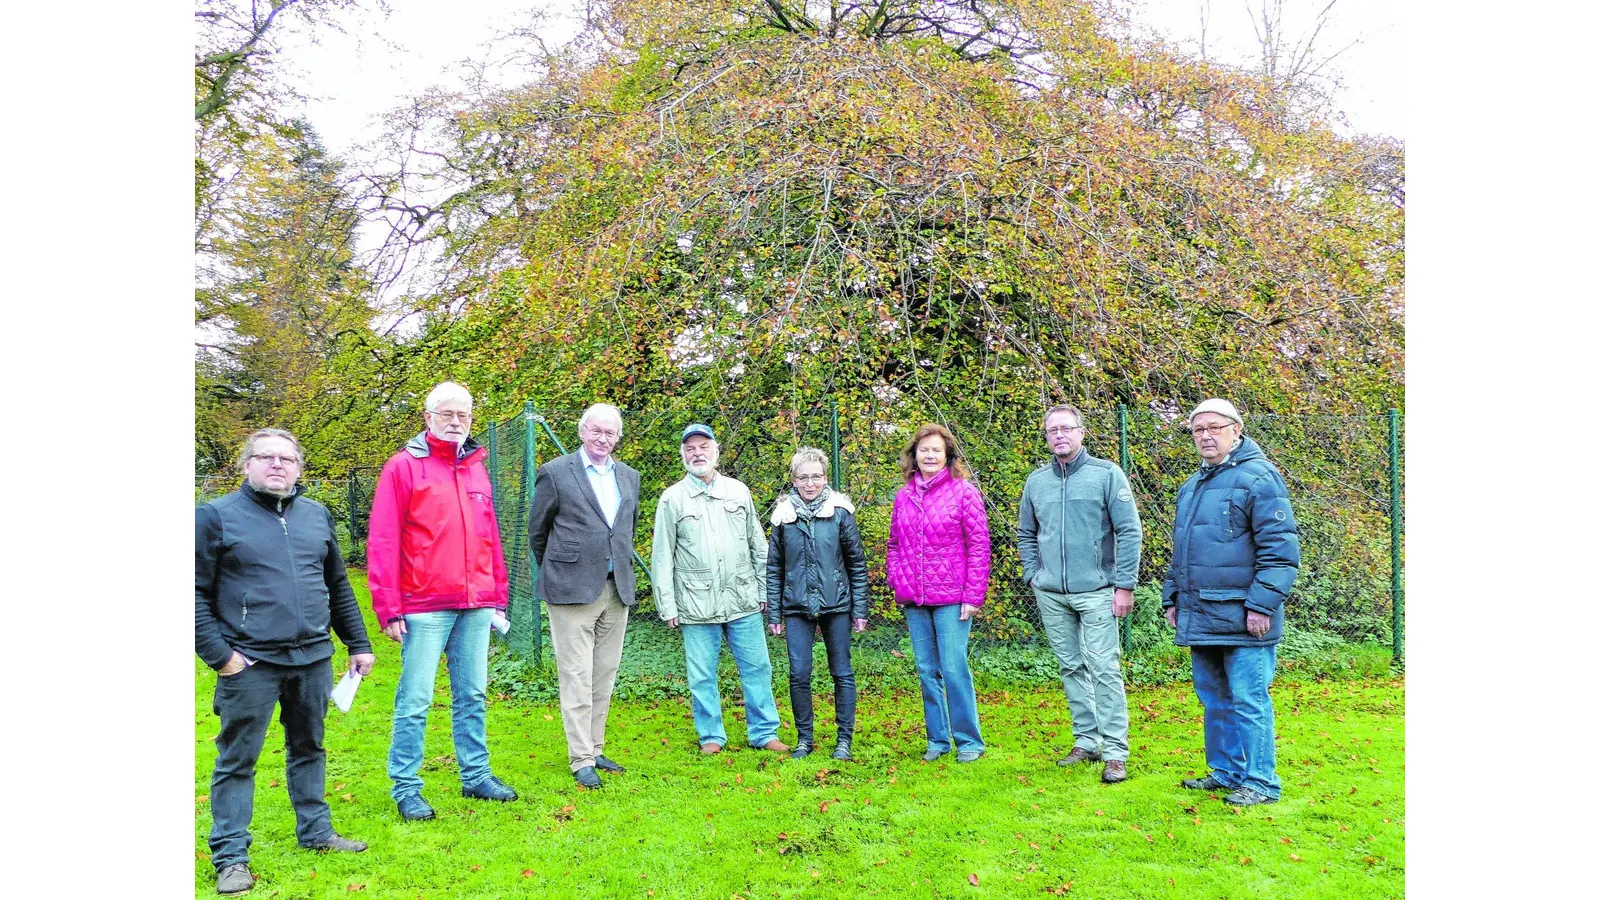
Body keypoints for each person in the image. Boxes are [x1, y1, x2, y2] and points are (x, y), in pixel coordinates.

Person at [196, 429, 376, 895]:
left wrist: (358, 643)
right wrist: (221, 656)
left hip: (313, 658)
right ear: (246, 464)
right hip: (250, 662)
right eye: (266, 457)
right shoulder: (215, 517)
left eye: (287, 459)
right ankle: (231, 856)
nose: (277, 465)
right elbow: (190, 591)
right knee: (238, 759)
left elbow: (337, 584)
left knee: (309, 747)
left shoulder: (317, 516)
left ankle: (316, 832)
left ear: (299, 468)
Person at [368, 381, 518, 821]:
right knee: (415, 700)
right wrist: (388, 605)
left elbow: (491, 538)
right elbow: (382, 539)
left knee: (472, 694)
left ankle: (476, 775)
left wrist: (498, 596)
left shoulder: (476, 467)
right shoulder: (403, 467)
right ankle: (407, 786)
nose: (457, 422)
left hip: (476, 604)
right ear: (428, 417)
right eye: (448, 414)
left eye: (464, 416)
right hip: (424, 604)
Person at [1163, 398, 1300, 807]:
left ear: (1236, 430)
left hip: (1244, 616)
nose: (1205, 435)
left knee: (1249, 699)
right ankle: (1225, 771)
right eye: (1197, 429)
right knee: (1214, 698)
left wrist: (1261, 605)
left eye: (1214, 427)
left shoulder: (1261, 479)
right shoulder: (1192, 486)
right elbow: (1182, 553)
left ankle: (1261, 782)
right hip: (1202, 613)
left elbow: (1280, 551)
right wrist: (1172, 598)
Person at [1017, 404, 1143, 784]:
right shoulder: (1036, 482)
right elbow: (1026, 533)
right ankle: (1086, 741)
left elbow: (1129, 531)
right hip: (1051, 593)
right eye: (1052, 430)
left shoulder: (1106, 474)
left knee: (1104, 668)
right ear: (1046, 435)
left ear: (1081, 432)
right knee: (1071, 667)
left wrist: (1124, 585)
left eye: (1066, 428)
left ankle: (1116, 751)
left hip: (1098, 591)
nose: (1059, 435)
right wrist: (1033, 576)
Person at [651, 423, 789, 755]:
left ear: (716, 451)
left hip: (742, 598)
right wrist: (667, 605)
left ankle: (764, 732)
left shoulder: (738, 491)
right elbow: (661, 557)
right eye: (690, 448)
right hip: (696, 604)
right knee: (701, 676)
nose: (697, 453)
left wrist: (765, 590)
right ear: (682, 455)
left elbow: (758, 545)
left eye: (704, 447)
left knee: (758, 668)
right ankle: (711, 736)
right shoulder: (672, 499)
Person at [528, 402, 642, 789]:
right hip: (570, 590)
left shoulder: (629, 477)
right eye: (596, 431)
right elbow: (537, 533)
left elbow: (625, 529)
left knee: (604, 674)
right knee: (576, 675)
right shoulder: (556, 473)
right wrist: (564, 569)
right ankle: (580, 759)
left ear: (618, 437)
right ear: (582, 431)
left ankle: (595, 747)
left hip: (616, 588)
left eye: (610, 433)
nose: (603, 439)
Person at [885, 423, 990, 763]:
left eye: (936, 450)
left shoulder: (964, 492)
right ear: (914, 455)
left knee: (954, 667)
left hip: (953, 598)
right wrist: (896, 579)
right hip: (915, 598)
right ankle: (938, 741)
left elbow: (979, 546)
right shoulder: (904, 496)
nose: (929, 455)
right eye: (924, 450)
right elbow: (895, 544)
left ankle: (969, 741)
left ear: (948, 456)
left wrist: (974, 595)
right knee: (926, 669)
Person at [765, 447, 870, 761]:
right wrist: (774, 612)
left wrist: (860, 609)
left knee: (842, 672)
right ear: (794, 480)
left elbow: (856, 563)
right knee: (798, 674)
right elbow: (774, 567)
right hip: (796, 605)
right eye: (803, 477)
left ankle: (844, 741)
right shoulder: (783, 517)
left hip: (837, 604)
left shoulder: (840, 513)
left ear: (826, 478)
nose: (810, 483)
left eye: (816, 476)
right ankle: (804, 740)